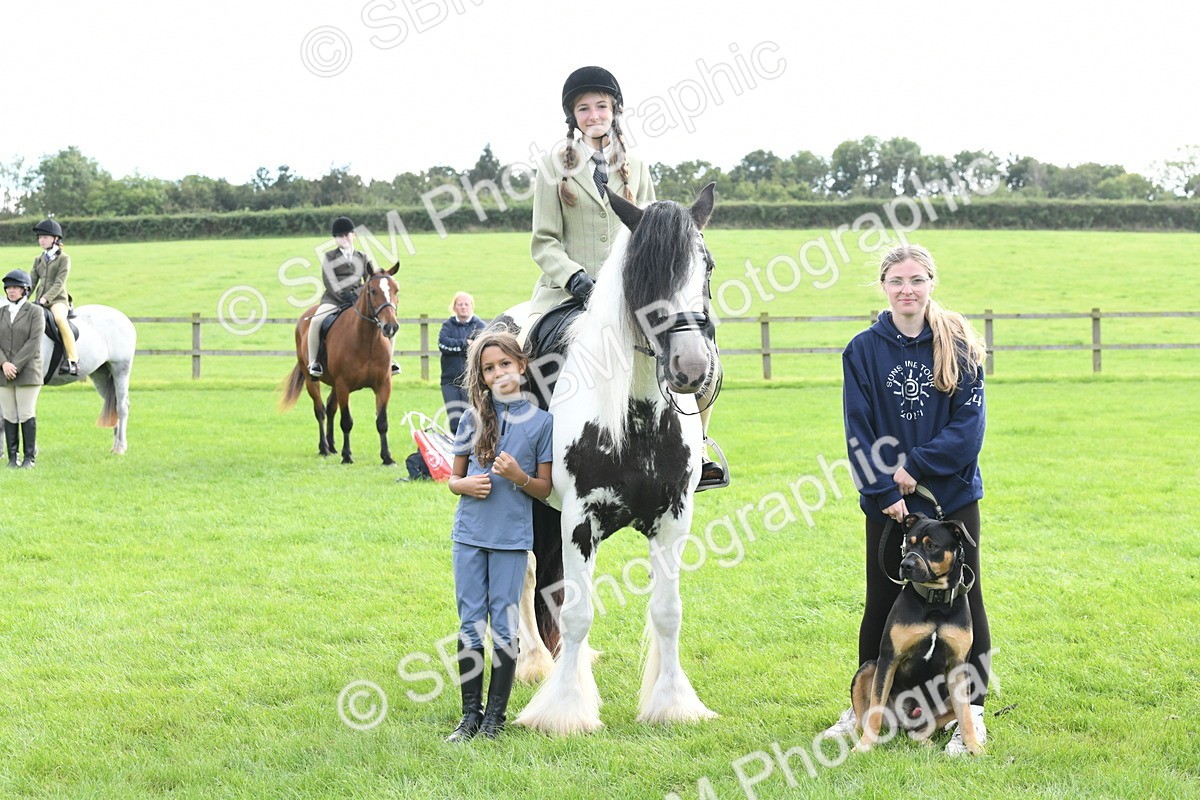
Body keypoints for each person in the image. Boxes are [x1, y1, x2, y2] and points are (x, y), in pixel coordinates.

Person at [828, 243, 992, 755]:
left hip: (952, 496)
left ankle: (972, 713)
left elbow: (970, 429)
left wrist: (914, 467)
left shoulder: (958, 345)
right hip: (890, 504)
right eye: (897, 280)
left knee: (967, 596)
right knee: (882, 598)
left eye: (917, 280)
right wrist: (883, 490)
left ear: (931, 284)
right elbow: (858, 430)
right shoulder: (861, 350)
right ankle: (862, 710)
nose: (907, 290)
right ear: (883, 286)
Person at [530, 65, 726, 488]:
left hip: (631, 294)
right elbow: (543, 241)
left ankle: (699, 444)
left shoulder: (635, 163)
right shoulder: (551, 166)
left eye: (601, 106)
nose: (594, 115)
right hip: (567, 294)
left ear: (614, 110)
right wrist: (576, 279)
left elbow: (653, 234)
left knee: (698, 345)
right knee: (534, 357)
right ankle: (535, 451)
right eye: (584, 108)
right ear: (573, 116)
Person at [444, 328, 553, 742]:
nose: (499, 372)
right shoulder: (471, 418)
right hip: (469, 535)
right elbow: (453, 479)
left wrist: (519, 476)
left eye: (505, 363)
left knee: (505, 628)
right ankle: (469, 717)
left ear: (521, 366)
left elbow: (544, 488)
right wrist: (465, 485)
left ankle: (494, 720)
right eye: (489, 368)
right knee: (470, 625)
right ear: (483, 377)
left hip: (511, 539)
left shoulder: (543, 423)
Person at [306, 216, 399, 378]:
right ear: (335, 239)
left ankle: (389, 361)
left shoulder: (362, 256)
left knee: (388, 321)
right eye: (340, 236)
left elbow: (370, 281)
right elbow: (329, 281)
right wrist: (343, 296)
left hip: (358, 300)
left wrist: (356, 295)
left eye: (347, 234)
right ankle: (314, 361)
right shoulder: (329, 257)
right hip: (334, 300)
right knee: (316, 321)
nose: (344, 238)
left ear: (353, 235)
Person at [1, 269, 46, 468]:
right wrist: (4, 363)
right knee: (9, 414)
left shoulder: (35, 312)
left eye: (16, 287)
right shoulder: (1, 312)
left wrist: (15, 365)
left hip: (28, 371)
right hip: (3, 372)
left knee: (26, 413)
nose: (11, 291)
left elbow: (34, 341)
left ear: (25, 290)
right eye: (8, 287)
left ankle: (29, 458)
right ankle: (13, 459)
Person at [30, 218, 78, 376]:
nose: (41, 240)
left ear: (55, 238)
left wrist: (45, 298)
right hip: (39, 301)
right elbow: (32, 282)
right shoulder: (38, 259)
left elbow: (59, 283)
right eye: (39, 237)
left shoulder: (64, 259)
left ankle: (73, 360)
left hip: (58, 300)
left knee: (59, 319)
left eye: (45, 237)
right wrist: (20, 298)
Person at [438, 291, 486, 435]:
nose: (463, 307)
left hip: (472, 381)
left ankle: (472, 447)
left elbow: (481, 348)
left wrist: (457, 346)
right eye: (460, 304)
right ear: (454, 307)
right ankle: (456, 446)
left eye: (466, 304)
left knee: (470, 419)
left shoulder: (480, 326)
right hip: (449, 381)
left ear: (472, 306)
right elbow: (443, 345)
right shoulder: (447, 325)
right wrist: (465, 344)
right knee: (454, 420)